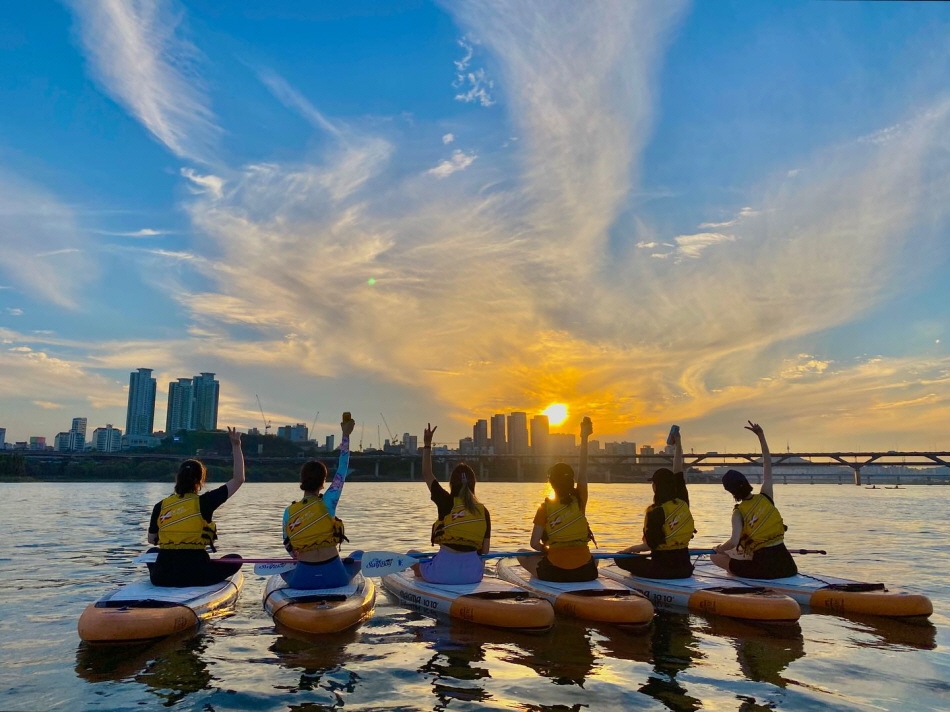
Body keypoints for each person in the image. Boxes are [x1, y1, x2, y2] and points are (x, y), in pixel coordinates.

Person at [147, 427, 246, 587]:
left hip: (162, 576)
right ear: (200, 481)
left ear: (177, 478)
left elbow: (152, 540)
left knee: (152, 553)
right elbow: (238, 479)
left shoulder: (160, 506)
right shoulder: (205, 502)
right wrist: (236, 445)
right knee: (235, 558)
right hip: (197, 574)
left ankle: (159, 571)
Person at [281, 413, 361, 589]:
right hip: (335, 576)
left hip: (303, 580)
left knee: (281, 569)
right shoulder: (329, 502)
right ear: (323, 482)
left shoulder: (289, 512)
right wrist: (346, 435)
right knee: (359, 555)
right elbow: (342, 467)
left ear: (302, 480)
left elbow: (289, 548)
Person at [711, 421, 798, 579]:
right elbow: (767, 464)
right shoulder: (766, 496)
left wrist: (719, 548)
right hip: (788, 566)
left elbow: (733, 541)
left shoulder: (738, 512)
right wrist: (760, 435)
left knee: (714, 557)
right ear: (746, 482)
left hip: (763, 570)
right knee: (741, 549)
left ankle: (735, 575)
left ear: (730, 491)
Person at [518, 416, 598, 583]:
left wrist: (547, 550)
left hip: (555, 572)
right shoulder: (580, 498)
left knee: (521, 554)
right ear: (571, 481)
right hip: (587, 572)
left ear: (551, 482)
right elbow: (583, 470)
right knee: (594, 558)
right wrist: (584, 437)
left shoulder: (544, 508)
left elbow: (533, 544)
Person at [411, 422, 491, 584]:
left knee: (412, 554)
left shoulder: (445, 501)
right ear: (473, 484)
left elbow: (427, 474)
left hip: (441, 573)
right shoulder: (483, 512)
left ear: (451, 483)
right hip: (472, 576)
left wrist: (427, 445)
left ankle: (424, 572)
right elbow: (485, 551)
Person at [614, 425, 695, 578]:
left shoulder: (655, 511)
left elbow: (650, 545)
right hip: (686, 568)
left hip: (662, 570)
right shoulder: (682, 502)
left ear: (656, 486)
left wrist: (630, 549)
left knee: (620, 558)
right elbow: (678, 470)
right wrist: (678, 444)